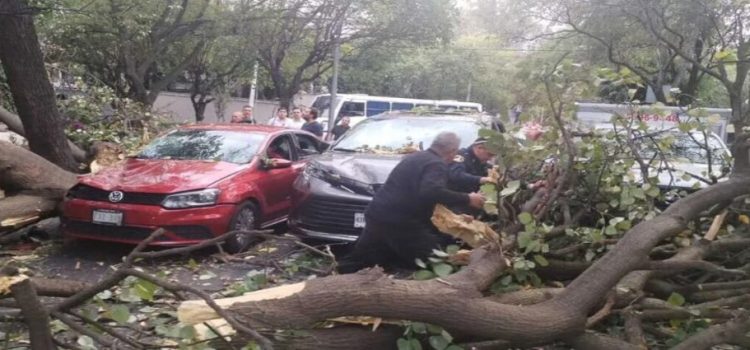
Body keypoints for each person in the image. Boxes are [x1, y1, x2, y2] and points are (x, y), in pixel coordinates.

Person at [338, 132, 486, 273]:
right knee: (434, 259)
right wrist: (468, 198)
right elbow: (431, 192)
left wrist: (456, 214)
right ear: (452, 151)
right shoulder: (436, 164)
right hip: (401, 221)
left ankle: (334, 277)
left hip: (379, 213)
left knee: (362, 257)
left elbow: (422, 193)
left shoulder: (417, 157)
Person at [447, 137, 497, 216]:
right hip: (454, 202)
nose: (490, 158)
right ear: (479, 148)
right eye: (489, 154)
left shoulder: (481, 163)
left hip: (471, 201)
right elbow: (456, 175)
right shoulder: (461, 156)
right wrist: (481, 179)